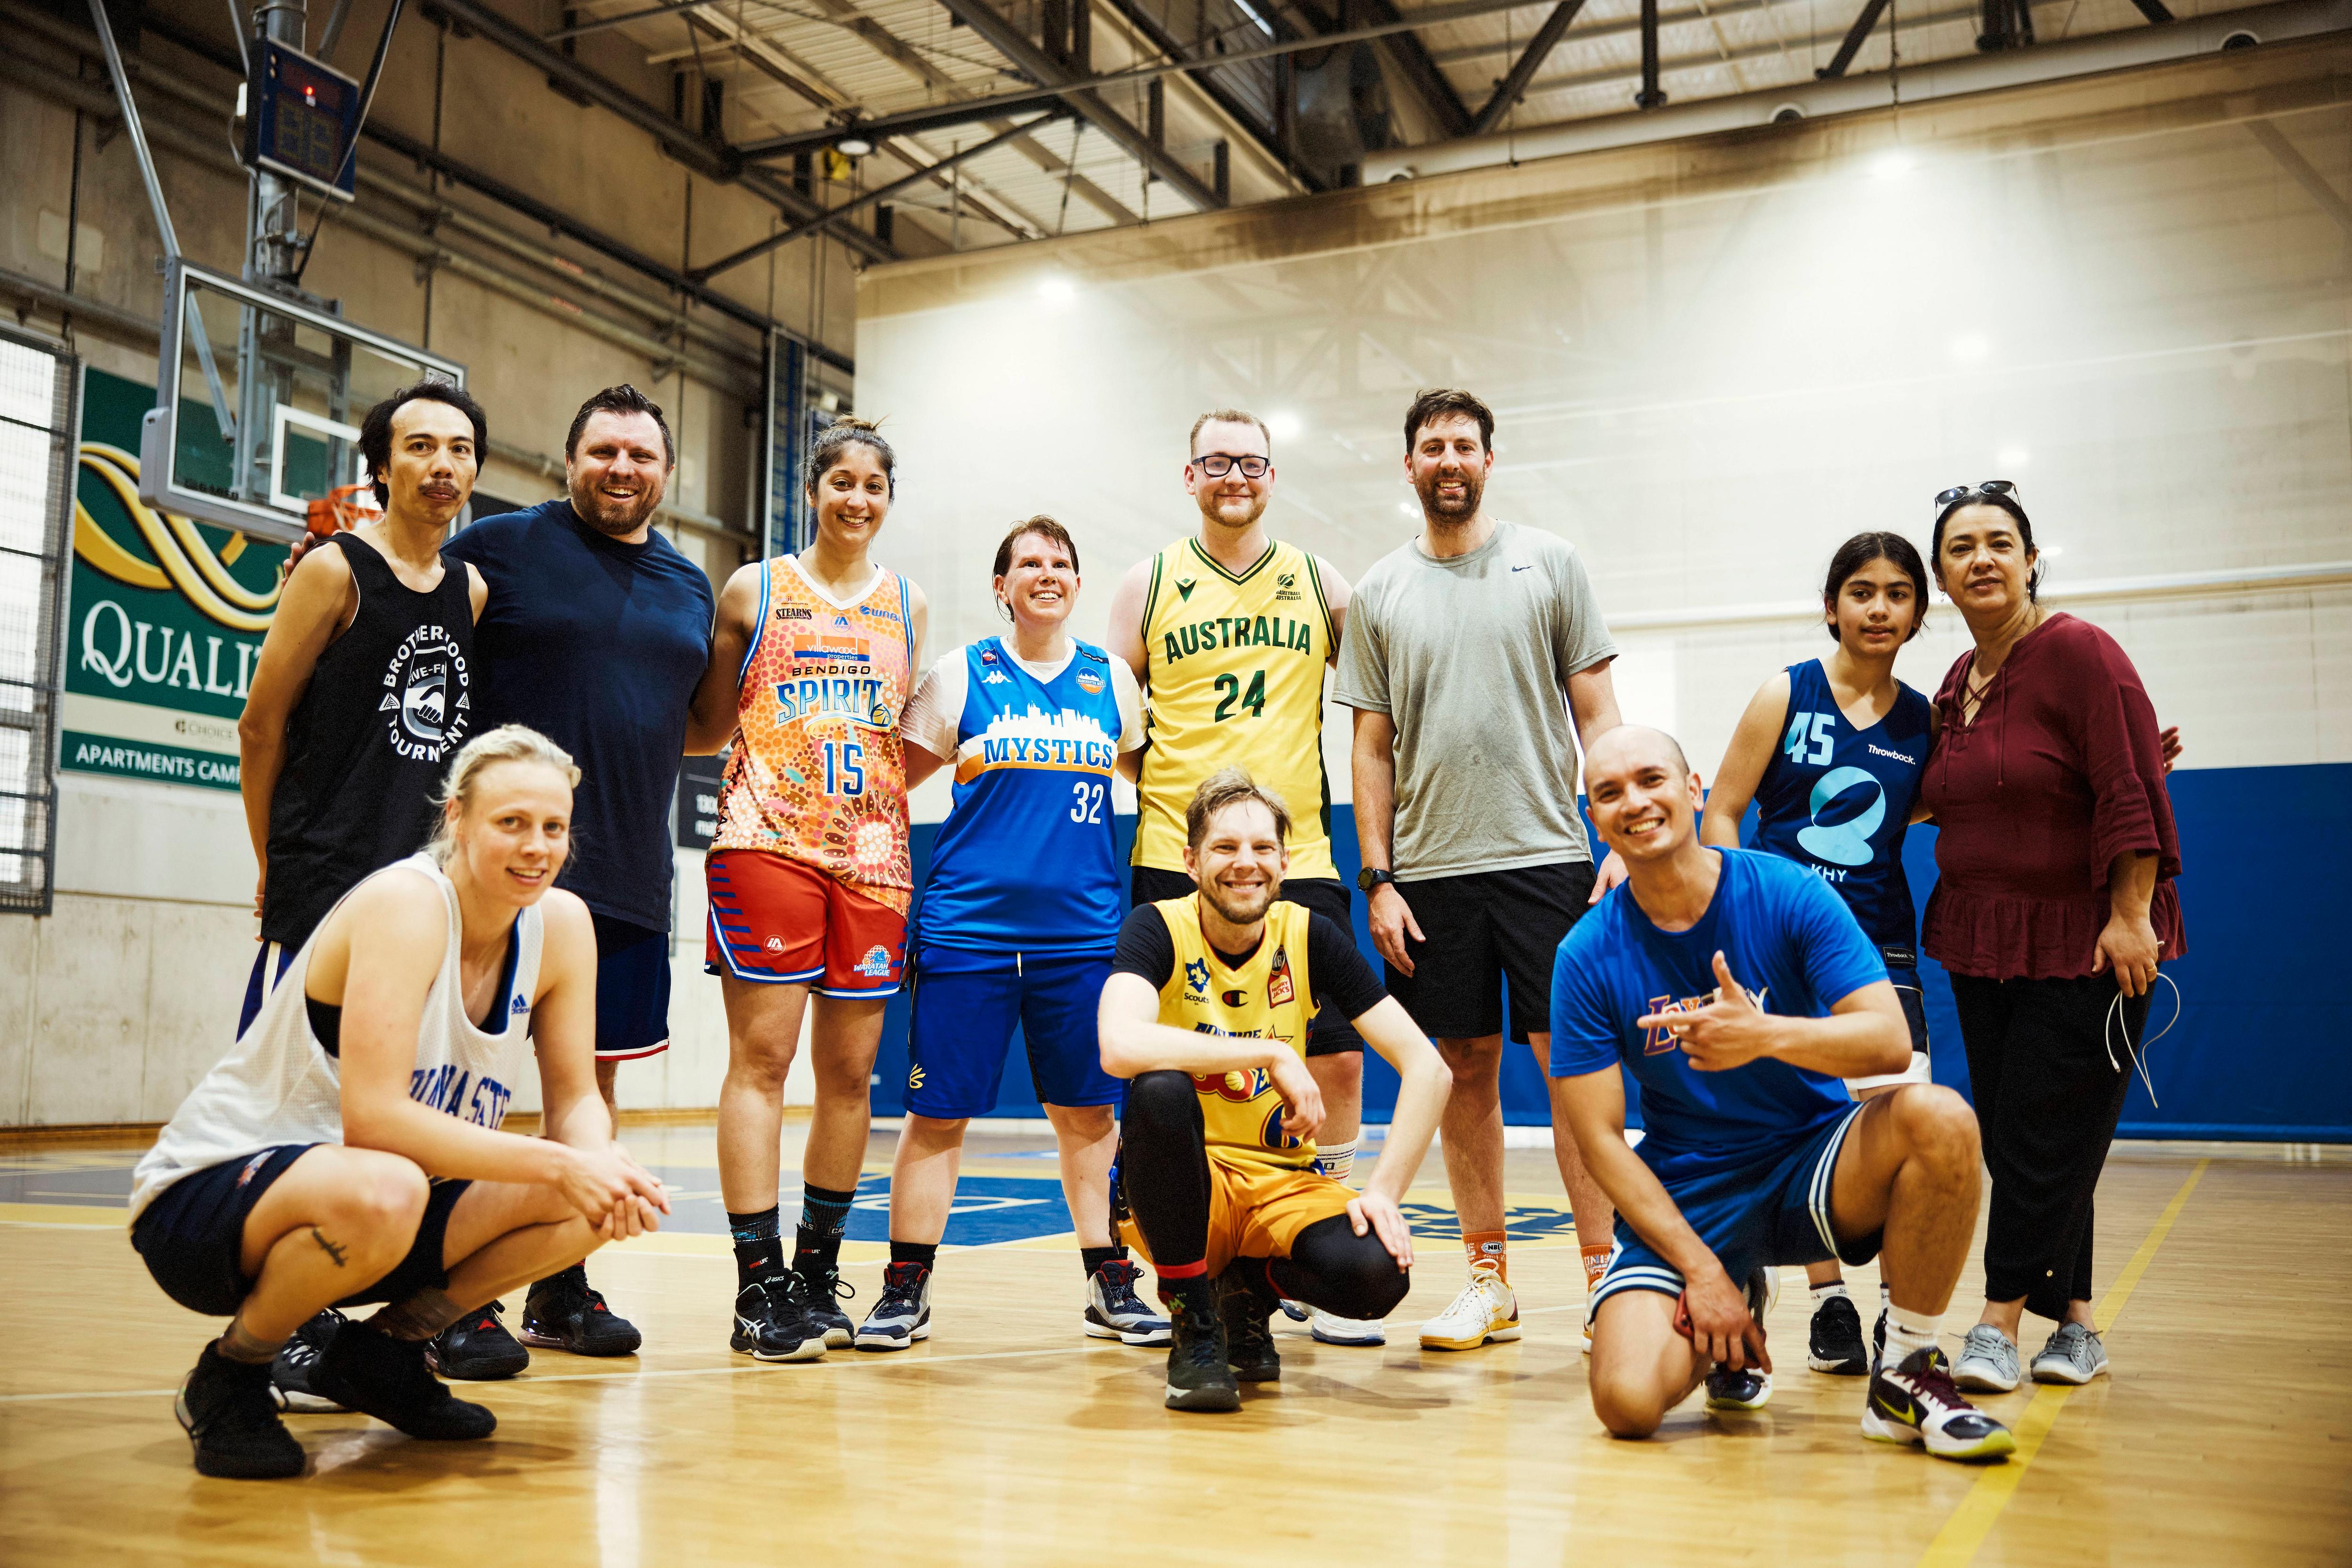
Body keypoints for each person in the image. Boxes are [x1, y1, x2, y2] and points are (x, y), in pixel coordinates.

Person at [128, 726, 670, 1480]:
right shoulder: (408, 903)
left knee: (588, 1202)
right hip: (210, 1200)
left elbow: (577, 1096)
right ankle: (233, 1370)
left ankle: (382, 1353)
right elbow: (375, 1120)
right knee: (393, 1184)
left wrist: (600, 1161)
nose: (536, 846)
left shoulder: (564, 925)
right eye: (510, 822)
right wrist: (559, 1160)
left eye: (553, 827)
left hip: (379, 1205)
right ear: (456, 818)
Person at [1552, 726, 2014, 1461]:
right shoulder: (1583, 955)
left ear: (1695, 788)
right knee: (1627, 1401)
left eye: (1651, 779)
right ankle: (1733, 1296)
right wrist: (1703, 1272)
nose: (1634, 802)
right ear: (1595, 819)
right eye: (1609, 793)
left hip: (1814, 1163)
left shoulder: (1784, 891)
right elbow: (1601, 1141)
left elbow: (1889, 1039)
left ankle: (1908, 1371)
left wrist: (1762, 1034)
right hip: (1693, 1187)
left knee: (1944, 1117)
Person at [1332, 387, 1623, 1353]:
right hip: (1429, 874)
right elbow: (1370, 748)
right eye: (1430, 445)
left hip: (1549, 858)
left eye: (1463, 443)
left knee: (1572, 1070)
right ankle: (1488, 1279)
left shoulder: (1552, 564)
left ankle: (1603, 1279)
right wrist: (1377, 876)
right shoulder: (1377, 592)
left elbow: (1598, 714)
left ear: (1488, 460)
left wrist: (1617, 834)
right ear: (1408, 465)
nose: (1447, 458)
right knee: (1462, 1072)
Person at [436, 385, 716, 1371]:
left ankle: (558, 1284)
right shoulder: (498, 547)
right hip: (497, 869)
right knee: (459, 1083)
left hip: (628, 869)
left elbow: (704, 719)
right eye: (604, 451)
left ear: (666, 472)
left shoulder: (689, 584)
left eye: (641, 455)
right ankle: (447, 1295)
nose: (622, 468)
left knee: (583, 1084)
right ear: (569, 459)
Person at [236, 380, 491, 1401]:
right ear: (380, 464)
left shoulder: (468, 591)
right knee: (299, 1112)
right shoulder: (335, 570)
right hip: (323, 882)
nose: (442, 464)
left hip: (417, 893)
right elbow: (262, 725)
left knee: (392, 1113)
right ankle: (278, 1328)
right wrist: (272, 860)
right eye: (419, 445)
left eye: (460, 448)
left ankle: (376, 1336)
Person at [856, 517, 1165, 1351]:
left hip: (1083, 939)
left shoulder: (1113, 682)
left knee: (1089, 1118)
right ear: (1002, 587)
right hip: (969, 935)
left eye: (1062, 561)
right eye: (1030, 562)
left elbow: (1150, 776)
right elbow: (891, 783)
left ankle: (1110, 1282)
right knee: (936, 1117)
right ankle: (904, 1289)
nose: (1049, 573)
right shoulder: (959, 675)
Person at [1105, 408, 1379, 1347]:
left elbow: (1377, 700)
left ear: (1272, 475)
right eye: (1216, 461)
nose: (1235, 475)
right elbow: (1117, 719)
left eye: (1252, 462)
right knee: (1169, 1066)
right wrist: (1185, 814)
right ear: (1189, 475)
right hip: (1174, 856)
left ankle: (1318, 1212)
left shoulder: (1318, 580)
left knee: (1336, 1052)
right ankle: (1193, 1261)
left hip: (1295, 852)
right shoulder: (1147, 582)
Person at [1917, 482, 2185, 1394]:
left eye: (1999, 541)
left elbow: (2129, 789)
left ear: (2031, 559)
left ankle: (1994, 1322)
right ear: (1941, 576)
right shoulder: (1957, 682)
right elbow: (1938, 794)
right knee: (2030, 1138)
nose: (1981, 558)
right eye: (1960, 547)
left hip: (2087, 940)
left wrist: (2129, 913)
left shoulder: (2079, 651)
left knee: (2039, 1136)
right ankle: (2074, 1323)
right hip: (1984, 939)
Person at [1097, 769, 1450, 1411]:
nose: (1245, 863)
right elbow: (1118, 1045)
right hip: (1185, 1186)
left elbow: (1430, 1069)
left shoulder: (1308, 934)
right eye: (1226, 847)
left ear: (1285, 862)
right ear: (1191, 860)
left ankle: (1248, 1289)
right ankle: (1195, 1322)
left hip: (1280, 1184)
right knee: (1160, 1089)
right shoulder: (1157, 927)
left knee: (1376, 1275)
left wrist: (1383, 1193)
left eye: (1262, 848)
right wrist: (1270, 1050)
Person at [686, 418, 926, 1362]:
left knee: (851, 1074)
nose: (856, 498)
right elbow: (708, 721)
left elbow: (897, 742)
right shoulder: (756, 586)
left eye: (874, 484)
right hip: (765, 842)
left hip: (872, 857)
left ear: (887, 497)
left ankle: (818, 1274)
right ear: (813, 488)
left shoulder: (907, 601)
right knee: (763, 1059)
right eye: (841, 481)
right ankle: (757, 1285)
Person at [1698, 532, 1936, 1377]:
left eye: (1899, 593)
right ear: (1832, 605)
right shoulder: (1785, 692)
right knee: (1795, 1114)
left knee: (1908, 1121)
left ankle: (1901, 1321)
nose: (1879, 608)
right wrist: (1735, 918)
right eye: (1862, 591)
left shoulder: (1923, 719)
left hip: (1879, 940)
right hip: (1778, 936)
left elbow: (1937, 804)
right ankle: (1830, 1299)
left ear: (1918, 611)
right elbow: (1723, 810)